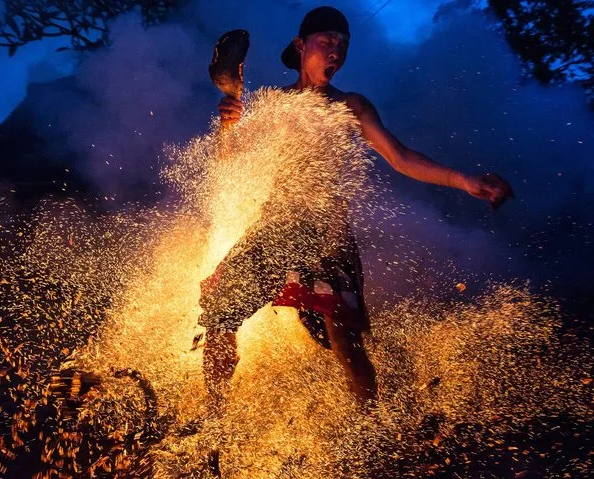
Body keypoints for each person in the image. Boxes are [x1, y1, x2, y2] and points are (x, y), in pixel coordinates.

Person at [201, 6, 513, 407]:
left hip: (327, 235)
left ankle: (369, 424)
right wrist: (228, 123)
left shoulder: (351, 106)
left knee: (344, 341)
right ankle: (213, 417)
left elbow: (400, 157)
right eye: (327, 42)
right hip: (275, 229)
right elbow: (228, 163)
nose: (336, 52)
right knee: (219, 310)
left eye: (343, 46)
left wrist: (464, 180)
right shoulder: (273, 103)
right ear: (301, 45)